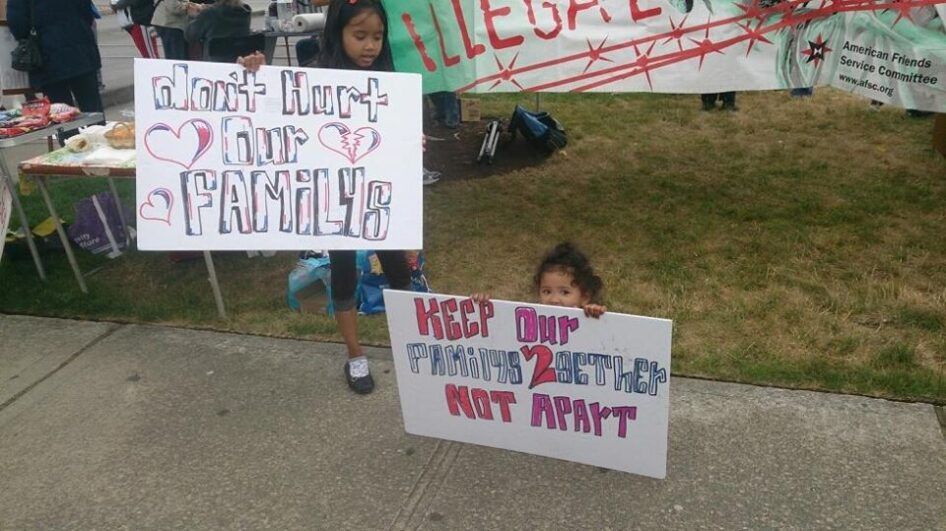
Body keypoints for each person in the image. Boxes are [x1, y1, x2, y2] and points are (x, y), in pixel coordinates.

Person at [239, 0, 412, 395]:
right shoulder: (315, 76)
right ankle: (355, 355)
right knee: (345, 274)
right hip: (337, 201)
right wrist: (255, 73)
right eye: (360, 36)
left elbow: (398, 131)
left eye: (377, 36)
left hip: (381, 195)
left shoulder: (389, 75)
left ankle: (410, 344)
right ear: (337, 34)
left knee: (399, 273)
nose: (370, 45)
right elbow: (273, 108)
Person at [6, 0, 105, 121]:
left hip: (47, 56)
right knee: (92, 109)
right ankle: (98, 136)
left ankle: (70, 139)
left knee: (61, 115)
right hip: (80, 47)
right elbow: (86, 10)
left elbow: (17, 23)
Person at [473, 242, 607, 318]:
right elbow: (503, 329)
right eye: (547, 291)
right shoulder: (530, 320)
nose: (554, 300)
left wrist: (595, 314)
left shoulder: (589, 317)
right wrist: (482, 307)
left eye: (565, 292)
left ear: (585, 297)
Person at [185, 0, 252, 61]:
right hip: (239, 63)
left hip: (214, 65)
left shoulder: (209, 13)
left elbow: (190, 35)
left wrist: (193, 16)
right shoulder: (246, 11)